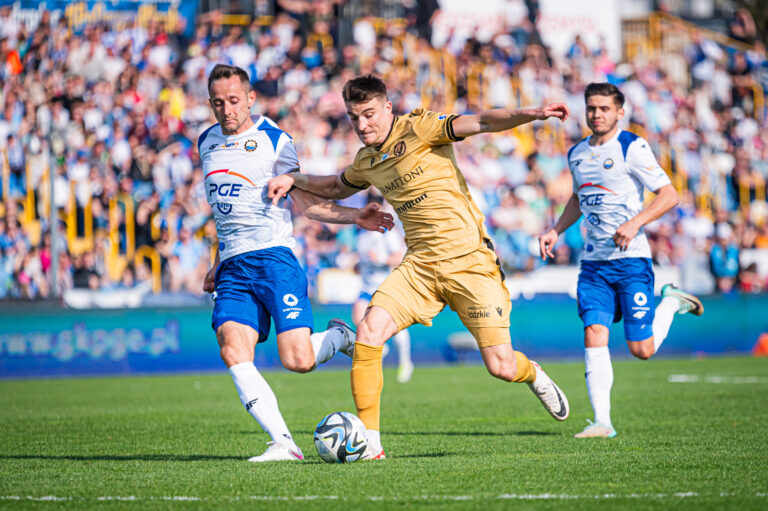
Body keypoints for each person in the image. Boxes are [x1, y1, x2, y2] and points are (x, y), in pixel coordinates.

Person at [269, 74, 572, 460]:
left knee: (501, 365)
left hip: (470, 263)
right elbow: (333, 187)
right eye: (353, 117)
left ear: (387, 108)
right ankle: (372, 443)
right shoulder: (367, 161)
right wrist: (293, 178)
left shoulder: (420, 127)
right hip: (420, 267)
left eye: (369, 114)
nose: (362, 125)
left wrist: (530, 114)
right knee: (370, 328)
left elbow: (480, 122)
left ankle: (534, 374)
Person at [201, 65, 394, 462]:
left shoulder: (275, 141)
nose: (227, 110)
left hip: (274, 259)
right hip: (234, 268)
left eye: (234, 101)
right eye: (219, 103)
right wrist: (216, 261)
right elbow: (226, 211)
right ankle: (283, 443)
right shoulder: (205, 142)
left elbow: (306, 203)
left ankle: (338, 336)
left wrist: (355, 216)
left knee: (298, 360)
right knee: (232, 349)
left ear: (251, 98)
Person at [538, 82, 704, 439]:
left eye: (603, 109)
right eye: (592, 108)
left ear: (619, 112)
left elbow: (670, 195)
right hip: (594, 265)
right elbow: (580, 198)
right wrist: (555, 229)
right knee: (594, 332)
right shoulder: (578, 153)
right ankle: (602, 422)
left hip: (631, 263)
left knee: (641, 349)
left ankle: (672, 303)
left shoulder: (632, 147)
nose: (596, 114)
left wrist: (635, 223)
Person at [352, 194, 413, 383]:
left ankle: (405, 362)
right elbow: (362, 260)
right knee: (358, 317)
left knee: (395, 326)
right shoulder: (361, 235)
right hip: (367, 285)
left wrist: (379, 259)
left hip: (385, 285)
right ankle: (380, 347)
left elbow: (398, 257)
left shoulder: (388, 233)